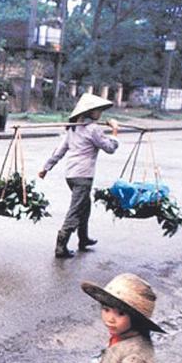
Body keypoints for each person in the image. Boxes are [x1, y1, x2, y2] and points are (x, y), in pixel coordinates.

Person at [38, 93, 119, 258]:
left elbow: (59, 152)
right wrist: (115, 131)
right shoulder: (93, 129)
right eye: (98, 111)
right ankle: (61, 245)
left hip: (71, 175)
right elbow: (110, 148)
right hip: (83, 176)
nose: (100, 114)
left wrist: (46, 168)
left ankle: (83, 238)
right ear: (90, 112)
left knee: (84, 206)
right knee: (75, 210)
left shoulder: (72, 129)